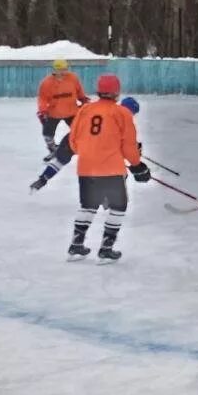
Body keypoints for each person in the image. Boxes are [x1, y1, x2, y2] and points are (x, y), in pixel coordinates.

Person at [65, 75, 150, 262]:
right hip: (111, 169)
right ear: (116, 92)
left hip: (86, 167)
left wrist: (91, 152)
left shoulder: (85, 110)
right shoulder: (122, 113)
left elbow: (73, 141)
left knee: (87, 206)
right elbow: (128, 147)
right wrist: (137, 165)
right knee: (118, 207)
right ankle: (106, 249)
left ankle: (76, 246)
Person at [30, 96, 141, 192]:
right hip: (92, 146)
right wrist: (134, 151)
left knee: (60, 161)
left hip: (73, 138)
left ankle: (43, 178)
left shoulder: (100, 108)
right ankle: (108, 195)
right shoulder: (121, 119)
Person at [36, 59, 90, 157]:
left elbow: (79, 91)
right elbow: (43, 99)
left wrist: (83, 99)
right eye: (60, 69)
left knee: (80, 130)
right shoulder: (47, 83)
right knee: (47, 133)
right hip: (54, 112)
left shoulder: (73, 78)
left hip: (71, 111)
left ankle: (81, 148)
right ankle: (52, 149)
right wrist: (42, 110)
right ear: (54, 70)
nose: (63, 72)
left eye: (65, 69)